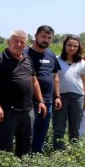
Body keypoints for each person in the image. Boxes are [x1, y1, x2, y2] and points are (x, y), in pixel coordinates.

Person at [0, 30, 48, 157]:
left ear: (26, 44)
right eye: (16, 41)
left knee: (26, 144)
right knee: (5, 145)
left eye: (22, 42)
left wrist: (41, 101)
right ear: (9, 42)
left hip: (27, 110)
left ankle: (23, 166)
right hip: (7, 111)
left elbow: (34, 81)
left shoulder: (27, 58)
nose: (19, 44)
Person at [25, 25, 62, 153]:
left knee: (42, 130)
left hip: (48, 100)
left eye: (49, 37)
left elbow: (55, 77)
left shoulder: (51, 54)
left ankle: (37, 154)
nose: (46, 40)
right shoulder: (25, 53)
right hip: (29, 100)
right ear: (36, 36)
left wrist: (57, 96)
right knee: (28, 130)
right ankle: (25, 156)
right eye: (43, 36)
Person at [52, 35, 85, 150]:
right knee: (59, 126)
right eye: (69, 45)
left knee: (75, 127)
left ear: (78, 48)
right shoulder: (56, 60)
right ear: (64, 46)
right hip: (60, 97)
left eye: (75, 46)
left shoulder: (81, 62)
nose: (72, 48)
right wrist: (56, 96)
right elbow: (54, 79)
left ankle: (74, 150)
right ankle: (58, 150)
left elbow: (84, 82)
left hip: (77, 97)